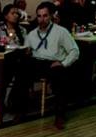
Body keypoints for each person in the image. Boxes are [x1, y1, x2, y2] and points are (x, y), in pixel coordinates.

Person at [20, 1, 79, 129]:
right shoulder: (32, 34)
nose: (42, 19)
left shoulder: (61, 32)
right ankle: (21, 111)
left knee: (60, 77)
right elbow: (26, 49)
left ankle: (60, 115)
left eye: (45, 16)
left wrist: (63, 63)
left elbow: (75, 51)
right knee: (22, 72)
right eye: (39, 16)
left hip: (54, 63)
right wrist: (26, 52)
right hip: (37, 62)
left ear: (51, 16)